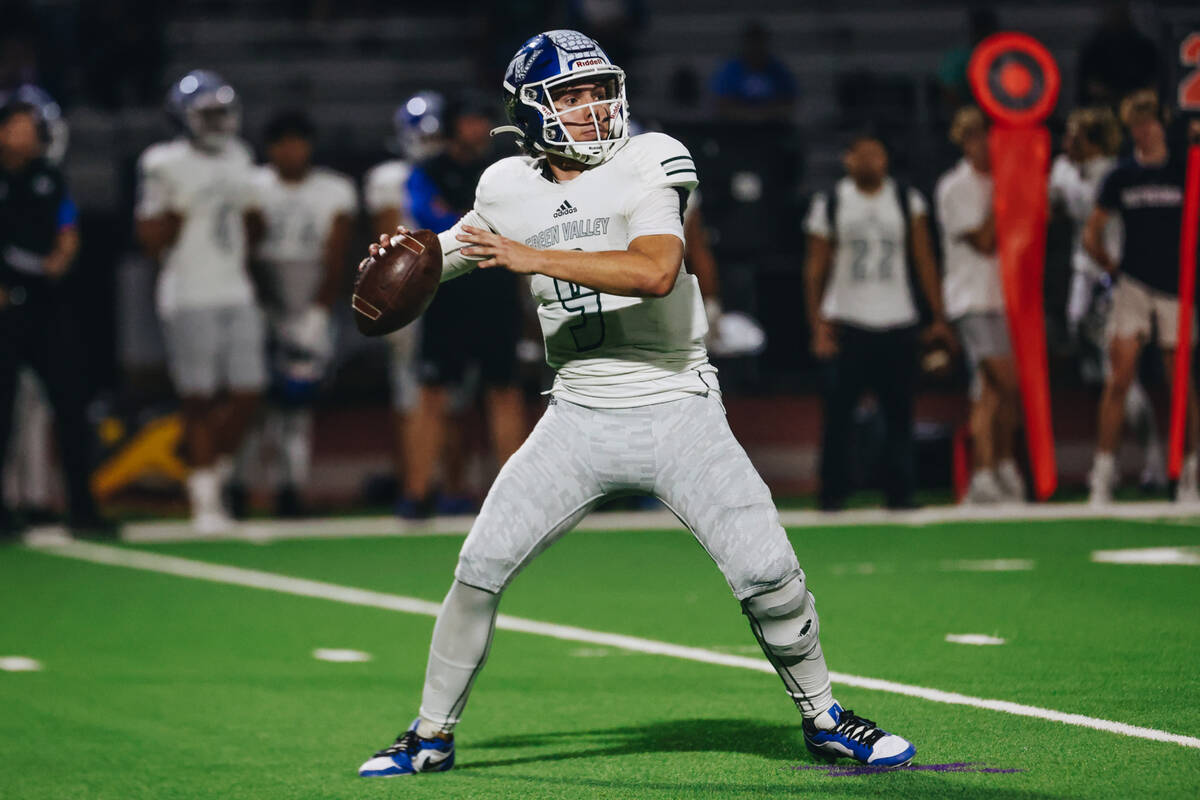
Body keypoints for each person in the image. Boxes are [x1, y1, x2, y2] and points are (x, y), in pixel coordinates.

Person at [356, 29, 914, 777]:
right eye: (570, 95)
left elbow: (656, 270)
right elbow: (453, 253)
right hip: (577, 415)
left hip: (674, 404)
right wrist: (406, 259)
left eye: (598, 90)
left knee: (769, 573)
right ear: (532, 110)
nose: (592, 107)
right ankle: (430, 734)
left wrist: (532, 255)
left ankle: (824, 717)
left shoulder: (650, 159)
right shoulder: (506, 187)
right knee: (479, 567)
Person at [135, 70, 266, 533]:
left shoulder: (240, 155)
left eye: (220, 112)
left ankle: (215, 470)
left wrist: (245, 215)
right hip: (188, 291)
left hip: (236, 286)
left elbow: (254, 229)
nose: (216, 121)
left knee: (250, 392)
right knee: (199, 399)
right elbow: (150, 238)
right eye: (206, 113)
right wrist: (184, 207)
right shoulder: (162, 163)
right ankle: (204, 496)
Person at [805, 133, 955, 511]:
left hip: (898, 317)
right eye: (864, 153)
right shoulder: (832, 202)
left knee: (899, 413)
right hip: (848, 319)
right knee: (838, 415)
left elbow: (924, 260)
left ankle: (901, 493)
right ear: (848, 158)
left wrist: (938, 316)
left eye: (879, 152)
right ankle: (832, 492)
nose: (872, 160)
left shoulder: (906, 200)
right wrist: (817, 323)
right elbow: (815, 268)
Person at [397, 95, 527, 518]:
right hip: (446, 292)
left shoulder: (507, 171)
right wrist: (485, 229)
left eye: (481, 121)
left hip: (497, 291)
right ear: (454, 127)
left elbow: (521, 223)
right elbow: (431, 223)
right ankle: (417, 493)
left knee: (504, 391)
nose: (476, 130)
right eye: (469, 121)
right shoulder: (427, 171)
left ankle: (515, 500)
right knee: (432, 393)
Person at [228, 110, 356, 517]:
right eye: (282, 142)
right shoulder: (254, 186)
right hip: (259, 293)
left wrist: (316, 313)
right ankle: (239, 485)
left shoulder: (333, 189)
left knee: (296, 404)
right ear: (270, 148)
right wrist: (261, 304)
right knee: (251, 397)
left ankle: (290, 487)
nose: (291, 150)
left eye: (297, 141)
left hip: (308, 294)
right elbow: (246, 249)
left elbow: (336, 256)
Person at [0, 87, 110, 538]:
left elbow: (67, 225)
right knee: (2, 414)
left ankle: (82, 509)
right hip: (6, 308)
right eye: (18, 126)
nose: (27, 135)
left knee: (71, 404)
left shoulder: (50, 176)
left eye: (32, 127)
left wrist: (65, 252)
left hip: (48, 305)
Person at [1083, 91, 1199, 504]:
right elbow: (1092, 230)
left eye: (1148, 124)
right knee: (1119, 379)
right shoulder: (1122, 176)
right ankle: (1103, 472)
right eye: (1135, 126)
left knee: (1180, 381)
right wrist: (1109, 265)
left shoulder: (1185, 170)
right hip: (1132, 284)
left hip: (1176, 287)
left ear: (1161, 126)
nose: (1143, 132)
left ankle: (1190, 470)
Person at [1049, 107, 1165, 490]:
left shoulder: (1114, 175)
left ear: (1090, 139)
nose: (1066, 142)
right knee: (1102, 379)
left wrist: (1112, 275)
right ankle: (1127, 459)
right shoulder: (1066, 172)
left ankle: (1147, 460)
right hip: (1082, 283)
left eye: (1073, 135)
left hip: (1109, 278)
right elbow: (1051, 207)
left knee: (1119, 377)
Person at [935, 106, 1025, 504]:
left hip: (1005, 298)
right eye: (976, 137)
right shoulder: (955, 186)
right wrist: (1004, 193)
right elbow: (985, 241)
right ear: (965, 141)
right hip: (972, 298)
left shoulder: (1002, 180)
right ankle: (994, 468)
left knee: (989, 390)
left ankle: (990, 471)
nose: (985, 145)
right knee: (1005, 382)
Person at [710, 21, 797, 123]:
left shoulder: (778, 70)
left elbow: (789, 104)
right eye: (752, 43)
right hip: (736, 129)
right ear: (745, 45)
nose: (755, 49)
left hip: (773, 129)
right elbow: (720, 104)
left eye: (759, 43)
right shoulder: (730, 70)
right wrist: (751, 115)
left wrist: (763, 115)